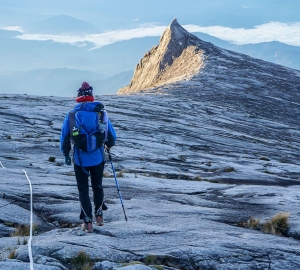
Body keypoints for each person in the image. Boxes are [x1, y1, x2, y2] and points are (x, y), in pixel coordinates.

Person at [60, 82, 116, 233]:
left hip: (80, 160)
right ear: (91, 97)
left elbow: (65, 137)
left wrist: (66, 154)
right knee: (97, 187)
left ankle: (87, 223)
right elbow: (111, 137)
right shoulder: (101, 113)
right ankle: (99, 216)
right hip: (98, 158)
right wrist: (107, 146)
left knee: (83, 190)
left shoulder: (72, 115)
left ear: (79, 97)